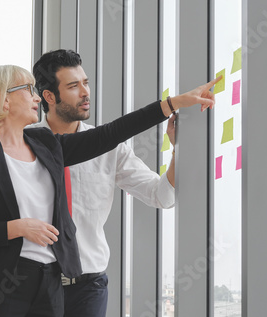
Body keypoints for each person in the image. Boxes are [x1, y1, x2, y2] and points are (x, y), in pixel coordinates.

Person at [0, 64, 219, 317]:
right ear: (3, 100)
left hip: (54, 281)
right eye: (28, 89)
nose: (36, 96)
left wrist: (172, 104)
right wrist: (15, 228)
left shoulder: (46, 145)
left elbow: (111, 134)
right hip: (2, 285)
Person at [32, 49, 176, 317]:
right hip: (35, 284)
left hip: (89, 286)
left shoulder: (111, 149)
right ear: (49, 96)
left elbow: (162, 196)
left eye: (85, 82)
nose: (86, 92)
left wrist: (178, 150)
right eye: (74, 86)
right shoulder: (22, 144)